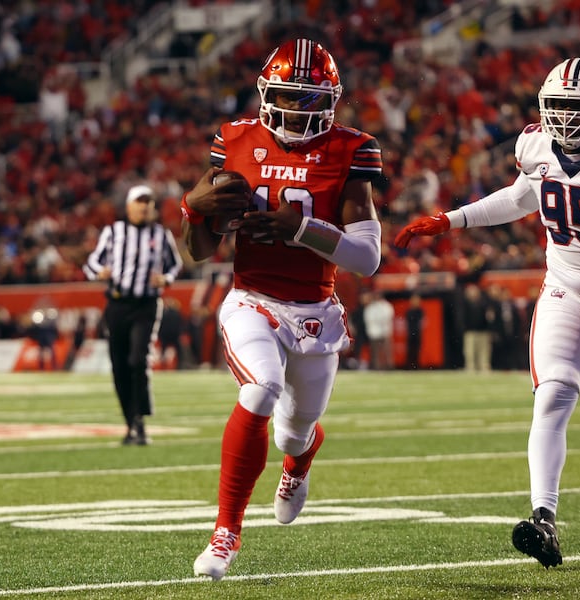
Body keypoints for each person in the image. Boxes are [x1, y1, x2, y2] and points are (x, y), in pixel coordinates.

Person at [395, 57, 580, 568]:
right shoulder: (535, 145)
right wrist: (452, 220)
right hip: (564, 290)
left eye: (578, 108)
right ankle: (544, 518)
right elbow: (521, 198)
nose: (567, 118)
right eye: (558, 106)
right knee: (553, 395)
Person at [181, 39, 383, 580]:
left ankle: (297, 463)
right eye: (289, 96)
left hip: (315, 307)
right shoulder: (236, 140)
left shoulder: (350, 149)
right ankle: (226, 533)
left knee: (295, 431)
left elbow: (367, 257)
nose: (298, 108)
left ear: (330, 99)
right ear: (269, 94)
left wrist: (301, 229)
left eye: (308, 97)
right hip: (252, 297)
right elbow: (198, 248)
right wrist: (191, 208)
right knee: (260, 388)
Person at [83, 184, 183, 445]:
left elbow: (175, 264)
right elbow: (92, 261)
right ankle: (130, 423)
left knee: (138, 359)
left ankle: (139, 418)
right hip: (117, 305)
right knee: (119, 365)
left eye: (148, 203)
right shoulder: (113, 232)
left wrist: (166, 278)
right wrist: (99, 273)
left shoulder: (161, 234)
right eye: (139, 202)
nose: (143, 207)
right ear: (129, 206)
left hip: (146, 305)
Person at [363, 291, 395, 370]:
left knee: (386, 351)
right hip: (374, 332)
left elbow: (388, 317)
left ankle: (389, 367)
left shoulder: (386, 306)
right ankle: (377, 368)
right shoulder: (371, 307)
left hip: (385, 332)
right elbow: (369, 319)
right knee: (375, 352)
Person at [404, 293, 424, 369]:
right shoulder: (409, 311)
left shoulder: (420, 311)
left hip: (417, 333)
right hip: (410, 333)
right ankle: (409, 366)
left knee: (417, 351)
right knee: (410, 350)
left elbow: (421, 322)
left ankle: (416, 366)